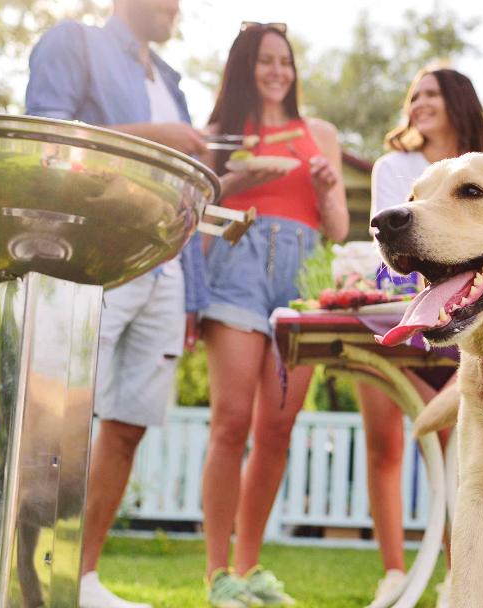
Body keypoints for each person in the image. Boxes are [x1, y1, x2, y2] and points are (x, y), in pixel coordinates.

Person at [24, 2, 218, 607]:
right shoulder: (74, 43)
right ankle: (29, 576)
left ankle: (79, 579)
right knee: (56, 418)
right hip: (92, 260)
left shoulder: (172, 82)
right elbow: (48, 136)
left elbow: (188, 196)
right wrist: (156, 140)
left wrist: (192, 295)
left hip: (167, 274)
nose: (175, 7)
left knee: (129, 426)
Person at [196, 22, 349, 608]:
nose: (277, 71)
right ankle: (218, 575)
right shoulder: (220, 135)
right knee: (231, 422)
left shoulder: (320, 134)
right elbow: (198, 211)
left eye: (284, 61)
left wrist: (328, 187)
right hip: (236, 261)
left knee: (278, 428)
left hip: (303, 273)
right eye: (265, 60)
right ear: (245, 66)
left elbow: (338, 228)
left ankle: (250, 567)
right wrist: (240, 176)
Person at [363, 67, 483, 608]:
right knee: (384, 444)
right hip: (395, 309)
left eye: (431, 94)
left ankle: (461, 577)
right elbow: (394, 248)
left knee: (458, 449)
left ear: (459, 101)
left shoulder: (482, 170)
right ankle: (394, 573)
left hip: (463, 314)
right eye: (414, 96)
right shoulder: (393, 166)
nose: (418, 103)